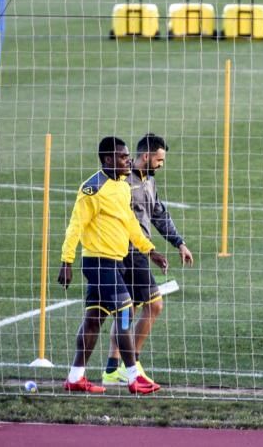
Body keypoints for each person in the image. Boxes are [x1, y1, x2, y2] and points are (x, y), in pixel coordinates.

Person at [57, 136, 168, 394]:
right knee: (126, 309)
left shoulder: (120, 186)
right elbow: (75, 226)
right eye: (122, 156)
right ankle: (132, 377)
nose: (127, 160)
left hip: (115, 262)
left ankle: (75, 377)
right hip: (98, 262)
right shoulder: (92, 189)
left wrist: (150, 251)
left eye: (128, 155)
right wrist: (66, 261)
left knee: (94, 319)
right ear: (108, 159)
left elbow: (129, 223)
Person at [102, 133, 194, 386]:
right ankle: (132, 363)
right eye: (159, 159)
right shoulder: (122, 179)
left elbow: (159, 215)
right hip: (129, 252)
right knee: (154, 306)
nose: (161, 165)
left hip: (140, 252)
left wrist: (179, 243)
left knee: (127, 310)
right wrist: (151, 251)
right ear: (146, 156)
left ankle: (112, 368)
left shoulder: (149, 181)